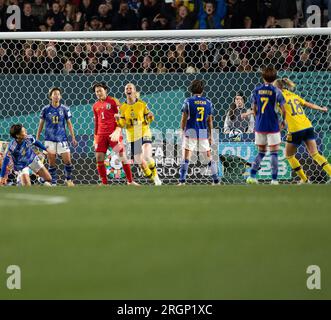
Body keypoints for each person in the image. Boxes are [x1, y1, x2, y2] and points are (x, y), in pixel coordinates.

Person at [274, 78, 331, 183]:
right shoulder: (293, 95)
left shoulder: (277, 96)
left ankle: (304, 180)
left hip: (295, 129)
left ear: (277, 87)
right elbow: (308, 104)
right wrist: (321, 108)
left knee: (289, 155)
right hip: (307, 126)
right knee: (315, 153)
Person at [115, 83, 162, 186]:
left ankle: (156, 176)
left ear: (134, 91)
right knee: (139, 161)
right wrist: (119, 120)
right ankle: (154, 178)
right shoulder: (122, 107)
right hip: (132, 135)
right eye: (126, 88)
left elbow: (149, 119)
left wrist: (151, 116)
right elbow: (122, 124)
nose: (128, 89)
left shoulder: (142, 104)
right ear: (125, 92)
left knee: (147, 156)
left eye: (130, 88)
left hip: (143, 130)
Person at [246, 66, 286, 185]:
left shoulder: (256, 90)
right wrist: (283, 121)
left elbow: (254, 108)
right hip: (273, 126)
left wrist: (258, 117)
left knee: (261, 152)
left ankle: (252, 176)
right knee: (274, 153)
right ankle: (274, 180)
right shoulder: (277, 91)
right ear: (275, 78)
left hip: (260, 126)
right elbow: (283, 110)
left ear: (263, 77)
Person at [92, 82, 137, 186]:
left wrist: (118, 130)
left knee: (122, 156)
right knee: (99, 158)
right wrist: (95, 137)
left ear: (105, 90)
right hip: (101, 136)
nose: (98, 93)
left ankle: (130, 181)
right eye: (96, 91)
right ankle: (104, 183)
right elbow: (96, 122)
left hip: (113, 135)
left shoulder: (113, 101)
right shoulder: (95, 106)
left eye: (100, 90)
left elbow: (121, 117)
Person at [178, 79, 219, 185]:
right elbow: (210, 121)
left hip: (190, 131)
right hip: (202, 132)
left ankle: (182, 181)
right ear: (202, 90)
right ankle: (216, 180)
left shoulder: (188, 101)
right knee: (209, 157)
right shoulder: (208, 102)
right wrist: (211, 135)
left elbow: (183, 119)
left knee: (186, 157)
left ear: (191, 89)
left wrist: (182, 131)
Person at [36, 87, 77, 186]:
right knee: (51, 163)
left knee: (68, 161)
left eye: (58, 94)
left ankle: (68, 180)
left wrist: (73, 137)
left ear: (61, 96)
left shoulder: (65, 108)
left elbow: (69, 124)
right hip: (49, 140)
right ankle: (53, 182)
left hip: (62, 139)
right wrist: (37, 138)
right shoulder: (45, 109)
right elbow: (41, 124)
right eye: (54, 94)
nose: (56, 96)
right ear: (50, 96)